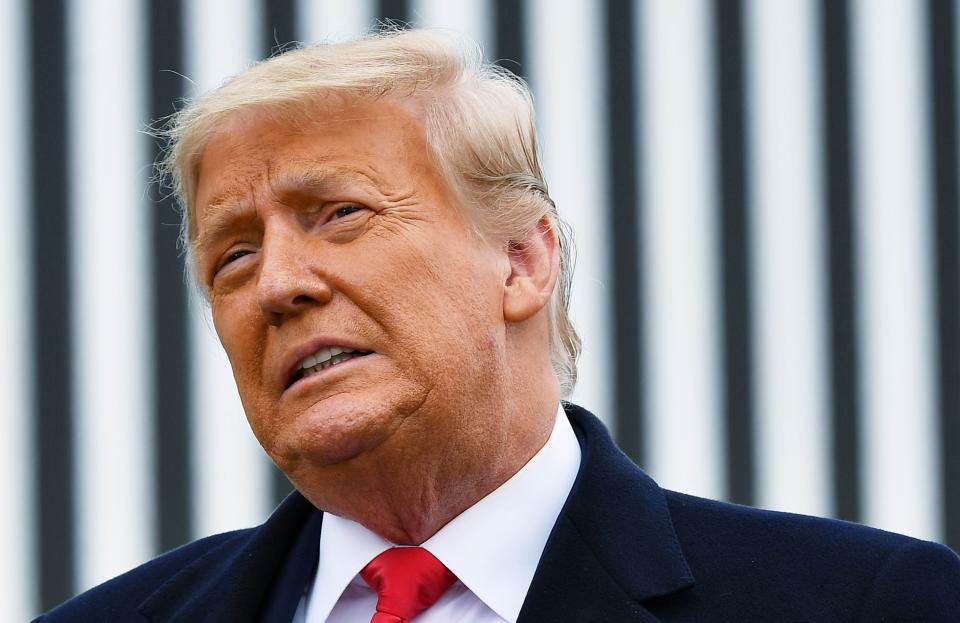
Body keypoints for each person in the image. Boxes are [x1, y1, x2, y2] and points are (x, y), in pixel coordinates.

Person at [37, 28, 959, 623]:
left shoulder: (866, 602)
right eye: (232, 257)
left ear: (524, 259)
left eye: (341, 214)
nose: (277, 284)